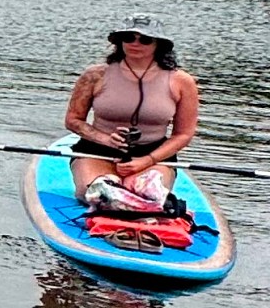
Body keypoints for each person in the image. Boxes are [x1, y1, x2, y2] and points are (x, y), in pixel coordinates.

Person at [64, 14, 198, 210]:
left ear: (158, 45)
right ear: (119, 42)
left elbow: (183, 134)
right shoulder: (95, 75)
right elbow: (73, 120)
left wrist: (147, 160)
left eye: (145, 39)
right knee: (105, 196)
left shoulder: (182, 82)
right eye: (128, 38)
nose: (135, 43)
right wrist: (106, 139)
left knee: (147, 195)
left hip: (153, 154)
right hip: (97, 152)